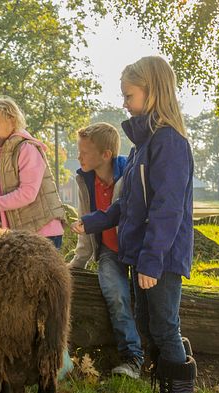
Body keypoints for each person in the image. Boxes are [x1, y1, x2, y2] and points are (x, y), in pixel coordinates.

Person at [71, 56, 197, 393]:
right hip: (146, 254)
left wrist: (152, 261)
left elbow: (167, 208)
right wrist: (93, 221)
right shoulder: (144, 145)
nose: (124, 102)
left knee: (163, 328)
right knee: (150, 326)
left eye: (130, 95)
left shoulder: (169, 143)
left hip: (160, 256)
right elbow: (129, 203)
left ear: (153, 91)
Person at [0, 96, 72, 379]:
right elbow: (8, 208)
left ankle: (61, 366)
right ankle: (34, 364)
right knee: (28, 305)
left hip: (44, 234)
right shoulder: (3, 154)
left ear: (11, 120)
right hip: (26, 236)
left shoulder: (27, 149)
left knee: (48, 303)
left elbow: (27, 194)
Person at [69, 122, 144, 379]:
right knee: (116, 295)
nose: (79, 157)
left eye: (84, 152)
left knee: (147, 303)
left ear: (105, 154)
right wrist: (78, 263)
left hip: (137, 249)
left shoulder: (130, 173)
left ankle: (162, 350)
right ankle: (132, 357)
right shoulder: (84, 180)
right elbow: (85, 221)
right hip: (109, 252)